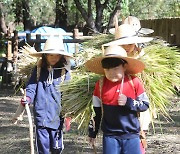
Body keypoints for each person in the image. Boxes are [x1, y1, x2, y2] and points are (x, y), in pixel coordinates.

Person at [85, 45, 149, 154]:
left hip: (131, 135)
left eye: (116, 68)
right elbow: (96, 112)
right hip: (110, 136)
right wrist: (92, 133)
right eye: (108, 69)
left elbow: (145, 104)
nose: (112, 73)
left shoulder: (134, 82)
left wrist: (129, 102)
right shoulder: (100, 85)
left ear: (124, 67)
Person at [21, 36, 73, 154]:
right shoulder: (38, 70)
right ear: (45, 56)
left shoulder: (64, 73)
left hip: (57, 117)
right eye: (50, 55)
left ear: (61, 56)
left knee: (56, 147)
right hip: (41, 116)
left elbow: (68, 94)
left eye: (57, 55)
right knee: (43, 147)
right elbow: (32, 87)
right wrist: (28, 98)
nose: (54, 58)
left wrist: (69, 114)